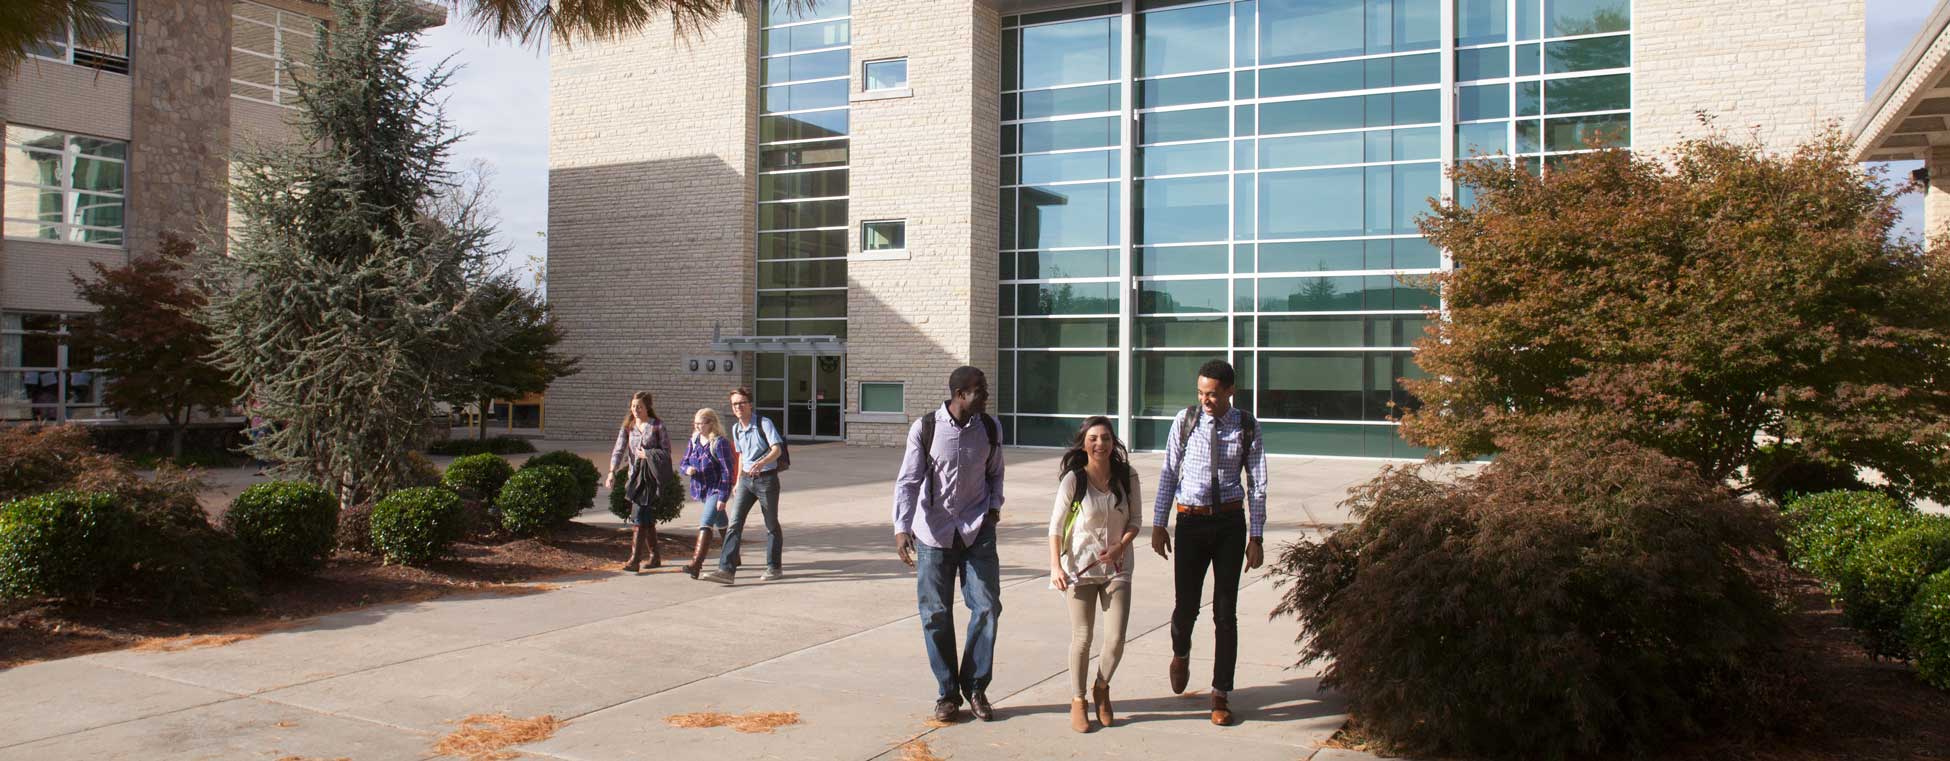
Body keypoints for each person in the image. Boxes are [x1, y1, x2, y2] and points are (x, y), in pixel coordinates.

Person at [1151, 359, 1267, 727]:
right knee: (1186, 608)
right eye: (1201, 393)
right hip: (1190, 522)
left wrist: (1256, 536)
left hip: (1230, 524)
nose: (1206, 400)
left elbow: (1258, 483)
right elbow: (1169, 471)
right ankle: (1180, 652)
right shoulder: (1185, 422)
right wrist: (1158, 523)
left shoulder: (1246, 426)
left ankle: (1221, 694)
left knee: (1225, 611)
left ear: (1230, 391)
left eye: (1213, 394)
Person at [893, 366, 1005, 723]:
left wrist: (994, 509)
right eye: (980, 391)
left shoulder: (990, 427)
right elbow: (908, 481)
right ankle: (947, 694)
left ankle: (975, 687)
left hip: (977, 531)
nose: (986, 396)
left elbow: (996, 471)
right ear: (960, 394)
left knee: (987, 607)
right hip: (934, 534)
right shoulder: (926, 429)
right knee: (936, 615)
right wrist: (901, 526)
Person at [1048, 416, 1141, 734]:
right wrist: (1055, 566)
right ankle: (1078, 701)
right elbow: (1056, 527)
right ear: (1083, 443)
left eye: (1105, 438)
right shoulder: (1074, 480)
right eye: (1093, 438)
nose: (1100, 444)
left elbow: (1136, 521)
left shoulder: (1127, 476)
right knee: (1083, 638)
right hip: (1079, 568)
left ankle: (1102, 687)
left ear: (1113, 442)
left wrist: (1120, 547)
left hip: (1117, 567)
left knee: (1115, 639)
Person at [699, 387, 785, 585]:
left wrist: (762, 462)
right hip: (746, 480)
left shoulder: (764, 423)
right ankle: (726, 570)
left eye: (741, 403)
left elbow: (777, 449)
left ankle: (774, 567)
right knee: (735, 524)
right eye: (735, 404)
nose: (738, 407)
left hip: (767, 480)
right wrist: (737, 481)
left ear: (750, 404)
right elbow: (741, 456)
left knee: (771, 525)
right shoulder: (737, 428)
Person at [605, 391, 671, 573]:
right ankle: (655, 556)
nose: (635, 410)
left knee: (640, 514)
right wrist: (612, 472)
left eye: (639, 406)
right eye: (633, 406)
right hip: (635, 477)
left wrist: (648, 454)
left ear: (647, 407)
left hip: (651, 477)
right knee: (646, 517)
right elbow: (619, 449)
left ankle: (634, 559)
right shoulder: (629, 426)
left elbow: (666, 453)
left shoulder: (657, 426)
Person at [679, 407, 737, 579]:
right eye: (695, 423)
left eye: (701, 423)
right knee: (722, 522)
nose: (698, 427)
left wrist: (723, 497)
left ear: (711, 423)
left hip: (716, 488)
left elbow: (728, 471)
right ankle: (734, 555)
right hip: (701, 489)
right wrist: (687, 469)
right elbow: (683, 462)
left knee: (705, 522)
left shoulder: (720, 443)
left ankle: (696, 564)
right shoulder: (694, 440)